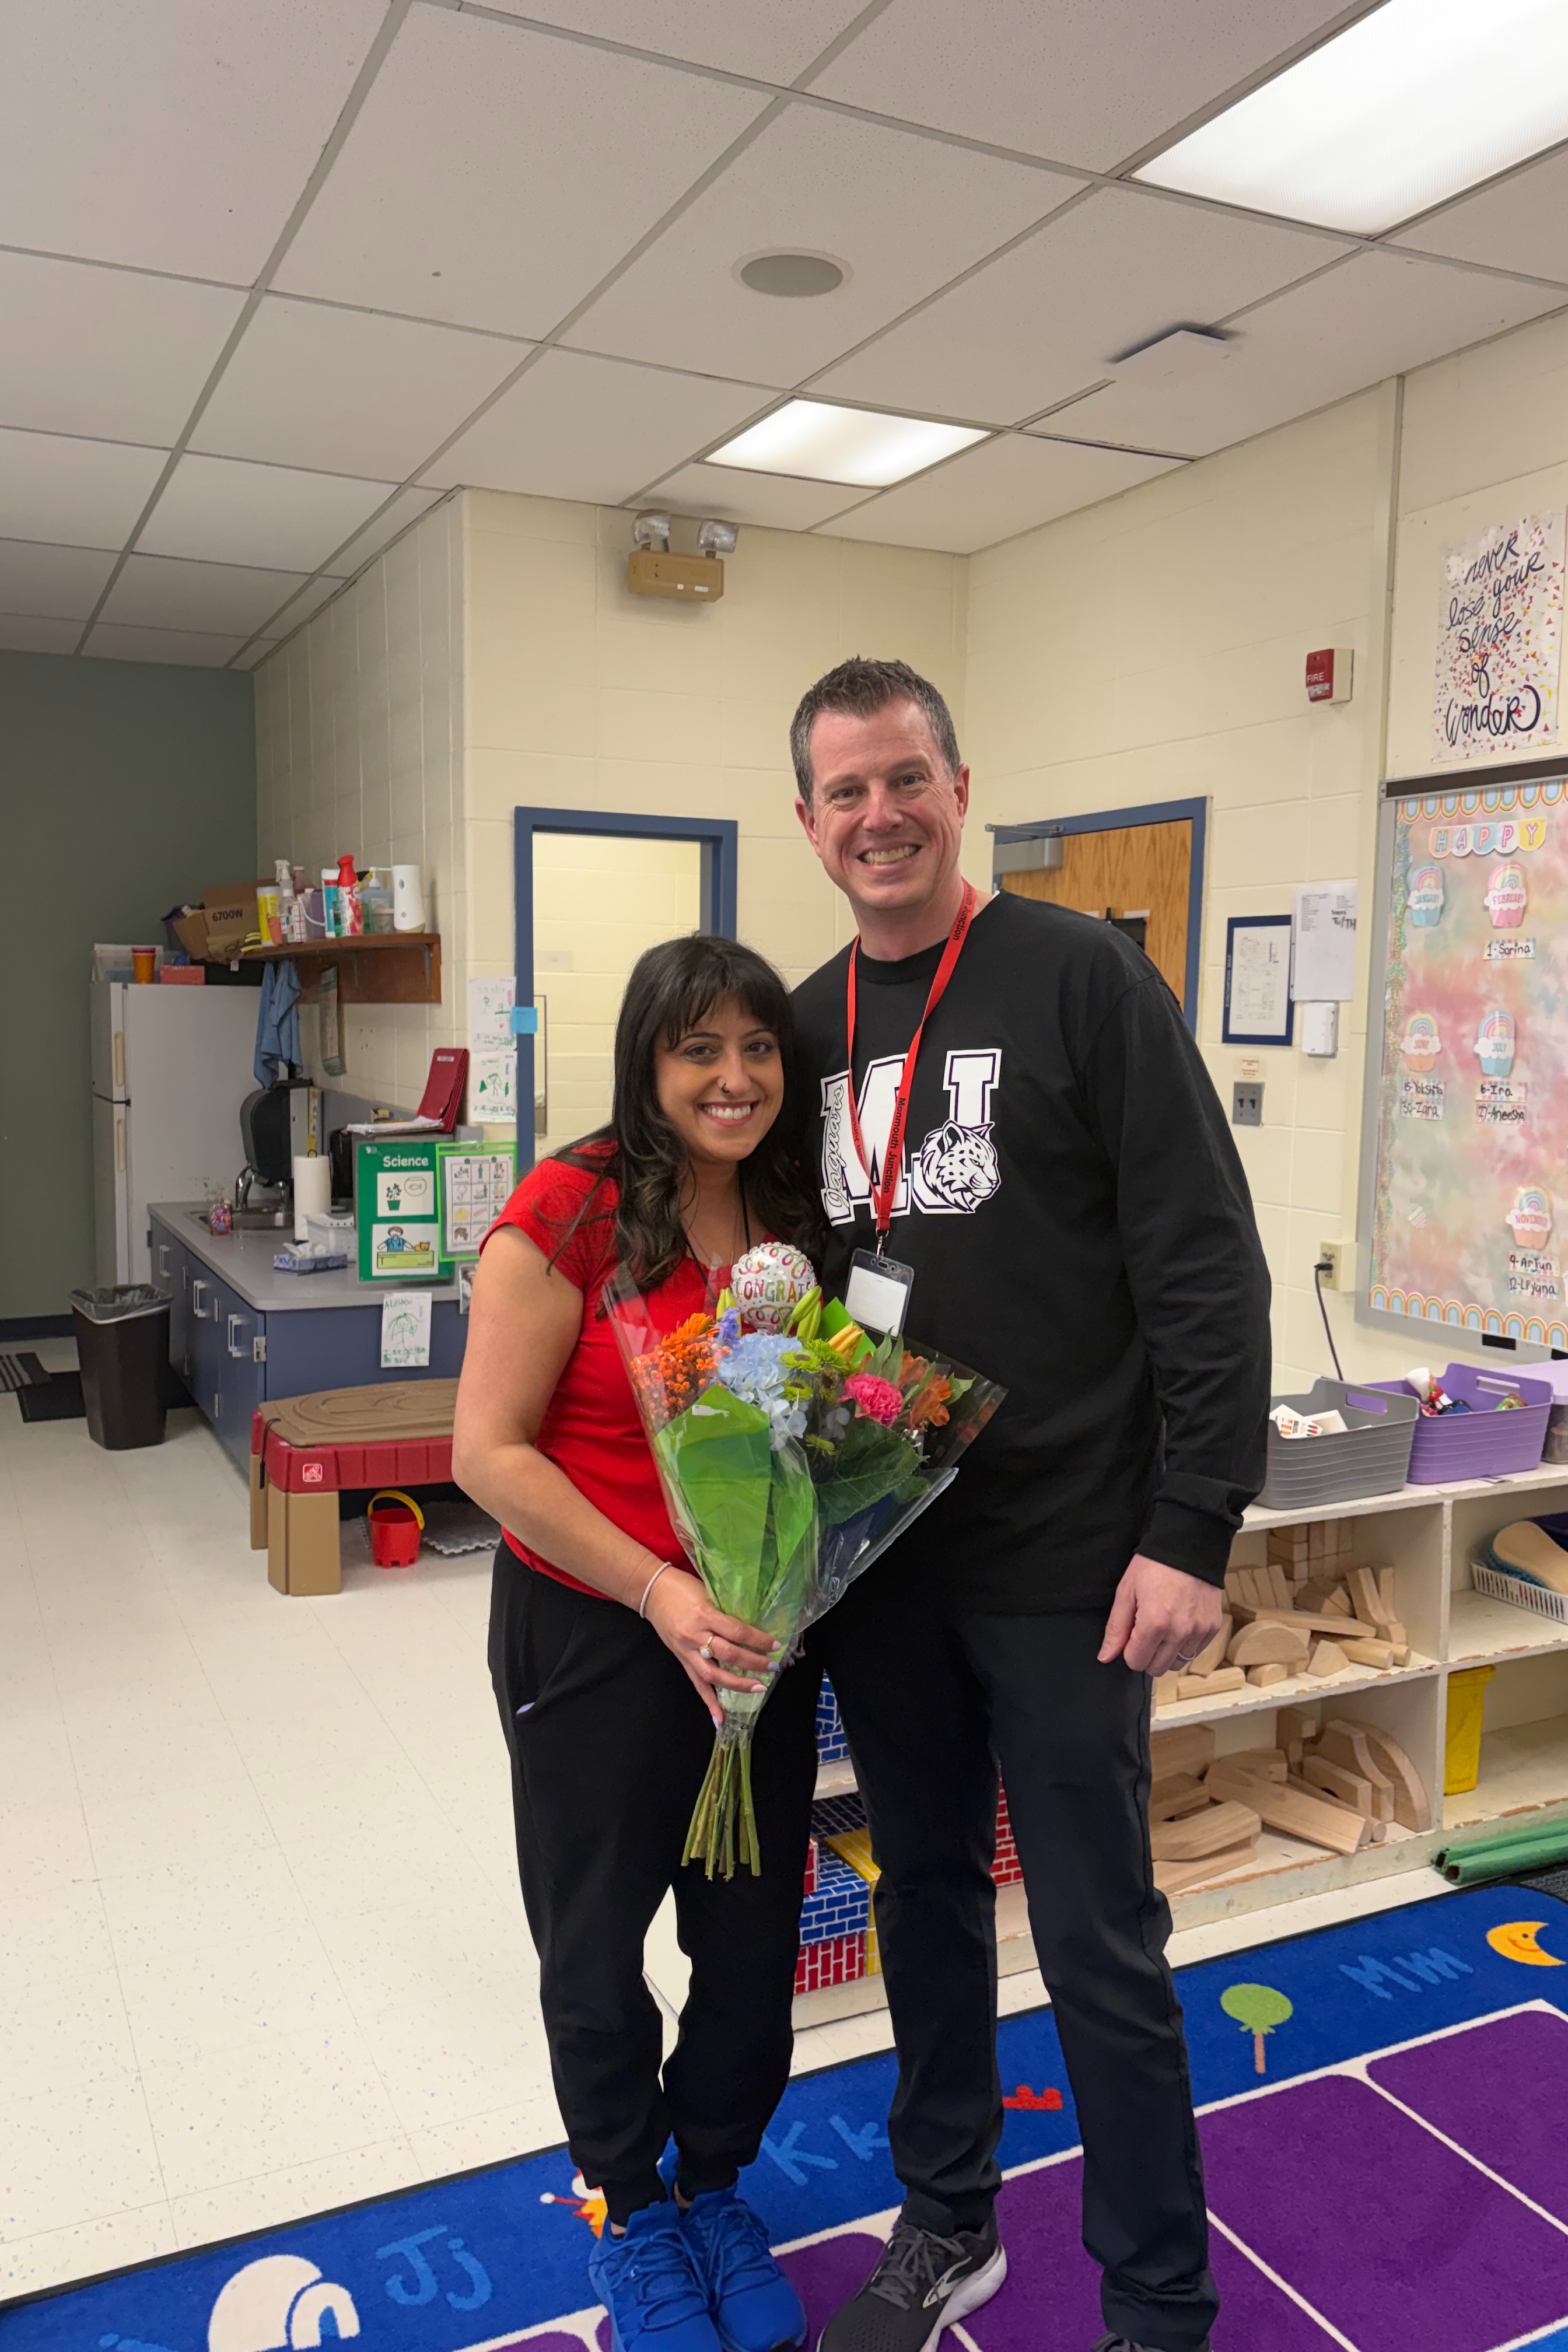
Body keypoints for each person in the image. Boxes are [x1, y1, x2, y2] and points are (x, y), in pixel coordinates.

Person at [785, 659, 1270, 2352]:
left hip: (1075, 1558)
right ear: (808, 823)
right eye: (845, 791)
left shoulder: (1079, 979)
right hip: (888, 1565)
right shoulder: (801, 1024)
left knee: (1096, 1939)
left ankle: (1158, 2301)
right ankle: (947, 2225)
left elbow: (1203, 1260)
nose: (879, 815)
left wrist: (1194, 1519)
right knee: (920, 1900)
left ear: (958, 785)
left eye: (903, 776)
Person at [454, 935, 822, 2352]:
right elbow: (487, 1453)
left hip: (751, 1637)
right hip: (600, 1632)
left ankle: (715, 2180)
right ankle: (628, 2199)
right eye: (699, 1050)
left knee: (746, 1937)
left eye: (758, 1050)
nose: (733, 1080)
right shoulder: (573, 1208)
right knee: (596, 1942)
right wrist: (661, 1592)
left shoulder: (791, 1208)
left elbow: (816, 1420)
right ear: (647, 1061)